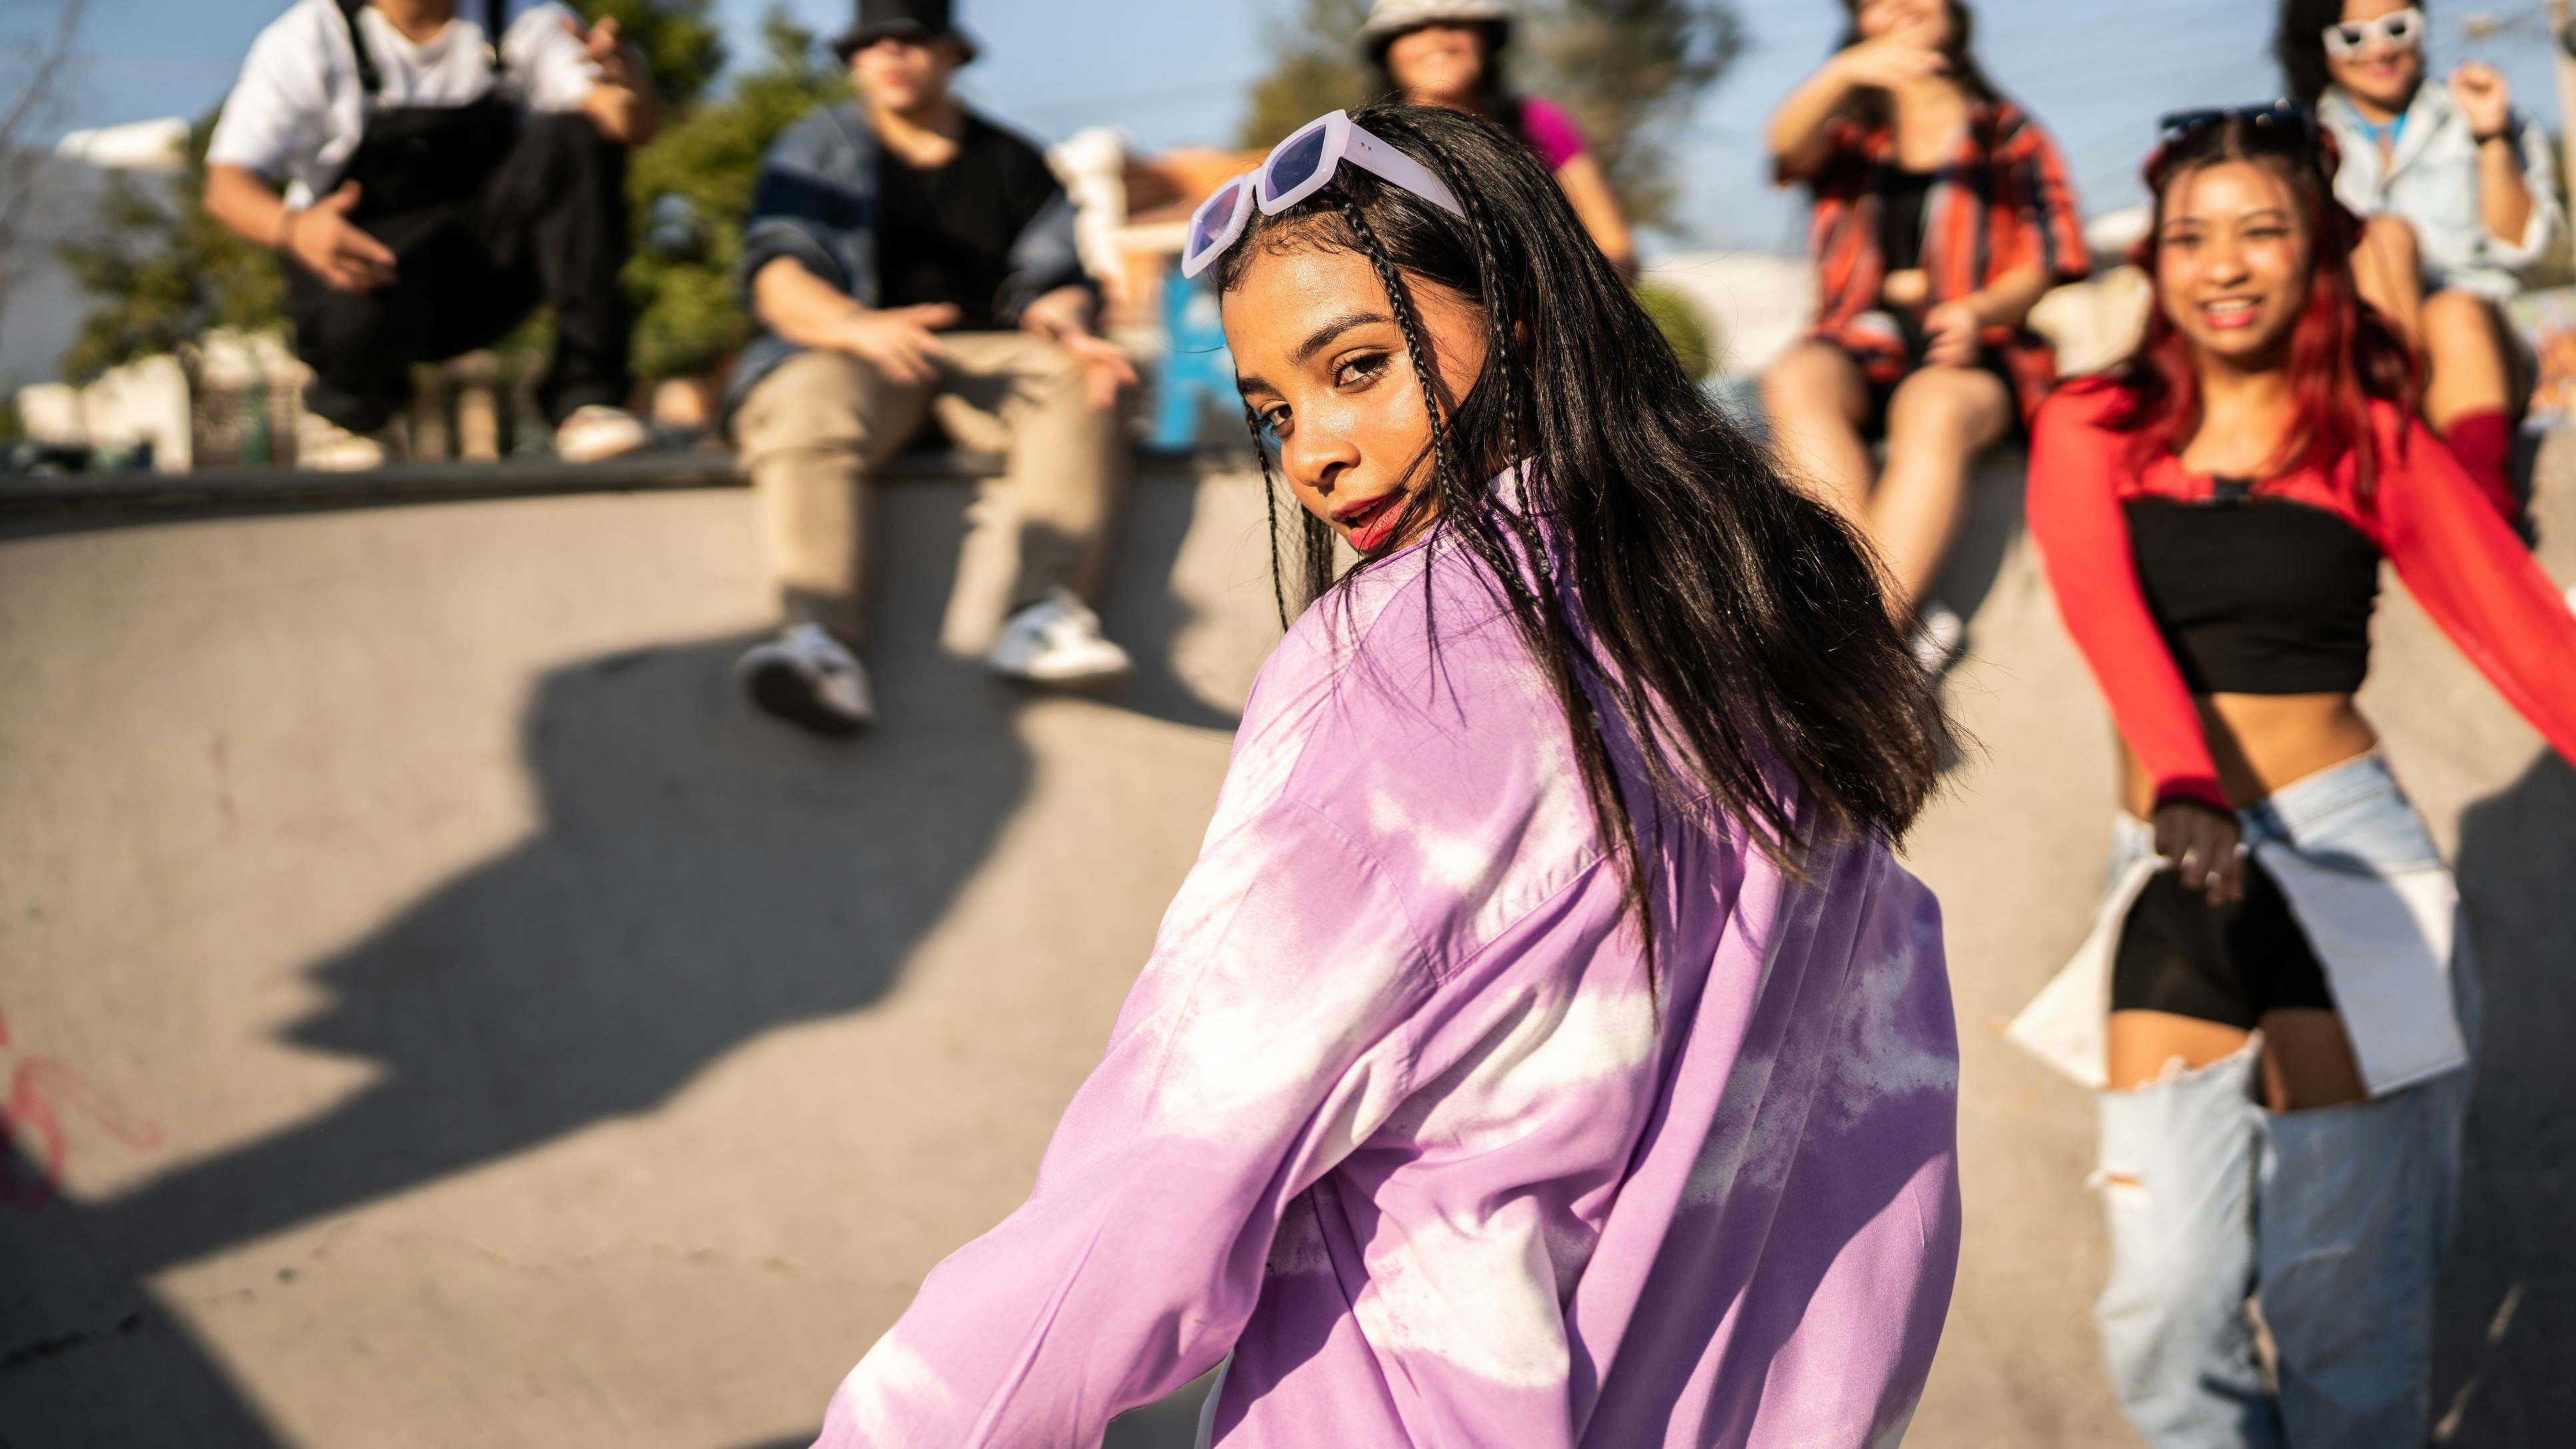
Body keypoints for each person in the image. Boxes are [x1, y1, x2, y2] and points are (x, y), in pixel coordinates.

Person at [799, 101, 1963, 1447]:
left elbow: (1176, 1158)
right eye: (1272, 410)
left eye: (1358, 366)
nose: (1312, 453)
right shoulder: (1770, 655)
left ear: (1520, 320)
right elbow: (1875, 1215)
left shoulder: (1412, 655)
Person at [2015, 104, 2576, 1446]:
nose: (2223, 264)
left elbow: (2531, 641)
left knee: (2343, 1315)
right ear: (2155, 259)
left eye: (2260, 232)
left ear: (2315, 249)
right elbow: (2109, 621)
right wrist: (2183, 782)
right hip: (2172, 858)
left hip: (2349, 863)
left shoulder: (2368, 439)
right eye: (2191, 237)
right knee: (2164, 1301)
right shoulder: (2091, 425)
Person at [725, 0, 1137, 735]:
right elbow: (776, 276)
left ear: (950, 52)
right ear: (853, 60)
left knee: (1085, 377)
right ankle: (819, 647)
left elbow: (1060, 277)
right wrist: (855, 327)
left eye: (908, 41)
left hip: (988, 357)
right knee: (806, 397)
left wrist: (1064, 322)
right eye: (869, 44)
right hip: (857, 349)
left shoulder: (1012, 160)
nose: (888, 56)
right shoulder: (814, 149)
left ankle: (1043, 615)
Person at [1762, 0, 2089, 673]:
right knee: (1795, 375)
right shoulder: (1850, 134)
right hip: (1860, 343)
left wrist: (1979, 309)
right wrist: (1845, 73)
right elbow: (1785, 149)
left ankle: (1858, 647)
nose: (1901, 9)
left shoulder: (2008, 131)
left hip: (1975, 351)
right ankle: (1863, 622)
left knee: (1933, 404)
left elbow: (2050, 255)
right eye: (1876, 4)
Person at [205, 0, 659, 470]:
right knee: (327, 255)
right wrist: (295, 229)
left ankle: (587, 398)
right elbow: (226, 185)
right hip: (371, 279)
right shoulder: (309, 38)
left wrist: (628, 86)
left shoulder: (525, 19)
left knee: (576, 135)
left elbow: (622, 122)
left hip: (487, 271)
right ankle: (352, 416)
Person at [2274, 0, 2561, 518]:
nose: (2380, 48)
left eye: (2397, 28)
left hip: (2484, 358)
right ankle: (2392, 446)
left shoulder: (2476, 111)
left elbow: (2519, 245)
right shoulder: (2298, 145)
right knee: (2381, 236)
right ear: (2320, 44)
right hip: (2364, 365)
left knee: (2452, 309)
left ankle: (2486, 517)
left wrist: (2491, 136)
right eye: (2353, 37)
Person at [1357, 0, 1637, 280]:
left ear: (1487, 39)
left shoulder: (1538, 124)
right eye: (1412, 29)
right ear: (1387, 51)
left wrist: (1550, 293)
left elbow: (1617, 249)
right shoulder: (1364, 145)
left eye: (1455, 24)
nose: (1437, 39)